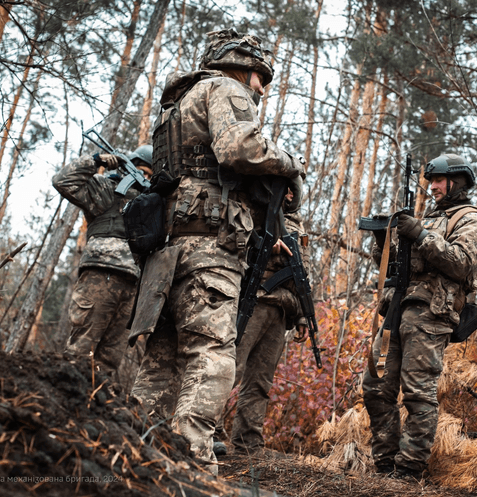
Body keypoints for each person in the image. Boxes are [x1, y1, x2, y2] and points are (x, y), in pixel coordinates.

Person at [129, 28, 304, 475]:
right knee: (211, 355)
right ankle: (191, 466)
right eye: (258, 77)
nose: (261, 89)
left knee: (161, 362)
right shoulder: (226, 88)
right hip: (210, 249)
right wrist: (290, 162)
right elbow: (237, 147)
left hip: (169, 251)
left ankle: (131, 456)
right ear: (241, 68)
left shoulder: (177, 104)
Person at [362, 153, 477, 479]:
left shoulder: (470, 220)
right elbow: (390, 265)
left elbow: (462, 262)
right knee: (376, 388)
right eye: (430, 181)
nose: (431, 187)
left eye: (437, 181)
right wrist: (384, 237)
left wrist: (420, 234)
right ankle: (386, 466)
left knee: (418, 394)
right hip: (397, 309)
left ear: (456, 182)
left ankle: (408, 471)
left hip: (432, 315)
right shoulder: (427, 217)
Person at [52, 145, 154, 380]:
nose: (144, 179)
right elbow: (63, 181)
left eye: (149, 175)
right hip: (101, 275)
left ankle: (95, 408)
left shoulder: (152, 203)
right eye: (141, 171)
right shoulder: (105, 189)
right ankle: (63, 401)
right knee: (80, 351)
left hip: (133, 286)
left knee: (108, 361)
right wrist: (95, 160)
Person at [219, 208, 310, 456]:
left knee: (260, 381)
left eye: (295, 188)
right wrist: (266, 246)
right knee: (229, 370)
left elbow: (302, 271)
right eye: (287, 187)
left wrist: (303, 314)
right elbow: (232, 242)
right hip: (253, 300)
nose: (291, 193)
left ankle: (247, 442)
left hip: (283, 308)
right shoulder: (259, 207)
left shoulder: (297, 224)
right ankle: (208, 433)